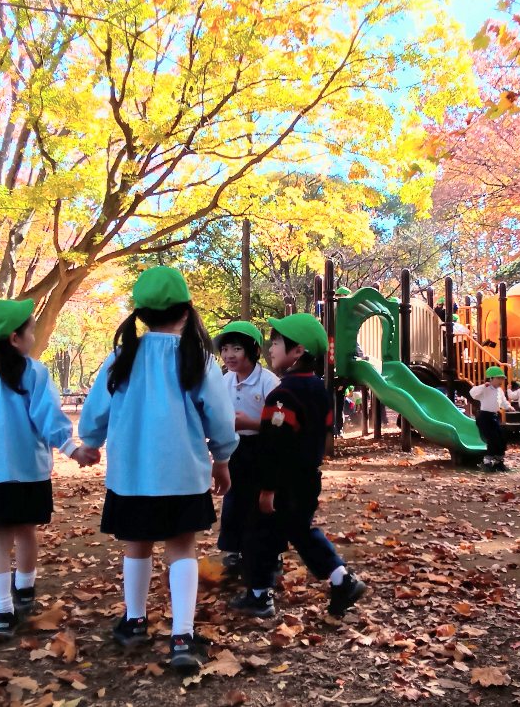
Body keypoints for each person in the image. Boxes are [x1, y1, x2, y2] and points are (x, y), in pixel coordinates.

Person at [78, 267, 239, 670]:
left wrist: (91, 442)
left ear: (141, 314)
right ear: (186, 311)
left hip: (131, 477)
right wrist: (222, 458)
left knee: (137, 545)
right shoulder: (198, 360)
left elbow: (96, 409)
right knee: (182, 548)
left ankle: (134, 621)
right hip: (183, 474)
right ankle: (182, 636)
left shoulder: (122, 358)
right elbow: (221, 418)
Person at [0, 299, 98, 641]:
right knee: (26, 532)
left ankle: (2, 613)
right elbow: (47, 417)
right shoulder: (33, 371)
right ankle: (25, 591)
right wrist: (72, 449)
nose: (34, 336)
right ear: (15, 338)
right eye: (31, 331)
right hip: (26, 472)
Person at [231, 313, 367, 619]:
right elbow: (322, 430)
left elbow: (273, 446)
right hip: (307, 479)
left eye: (277, 342)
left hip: (283, 483)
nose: (271, 348)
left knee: (258, 534)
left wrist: (267, 489)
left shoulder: (282, 395)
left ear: (298, 350)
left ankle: (260, 595)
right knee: (297, 531)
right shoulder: (319, 390)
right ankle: (340, 579)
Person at [215, 321, 280, 577]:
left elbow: (280, 422)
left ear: (253, 351)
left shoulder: (268, 382)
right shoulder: (225, 381)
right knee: (234, 500)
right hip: (235, 448)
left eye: (237, 349)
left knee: (261, 501)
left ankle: (270, 554)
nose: (229, 355)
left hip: (262, 447)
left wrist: (252, 423)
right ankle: (235, 551)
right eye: (225, 349)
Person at [469, 366, 512, 471]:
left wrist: (508, 407)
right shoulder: (485, 389)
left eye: (502, 379)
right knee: (493, 439)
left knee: (501, 439)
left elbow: (503, 401)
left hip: (494, 417)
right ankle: (486, 462)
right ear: (491, 378)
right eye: (498, 378)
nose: (501, 381)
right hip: (484, 417)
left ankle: (499, 461)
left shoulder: (500, 390)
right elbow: (473, 393)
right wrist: (484, 386)